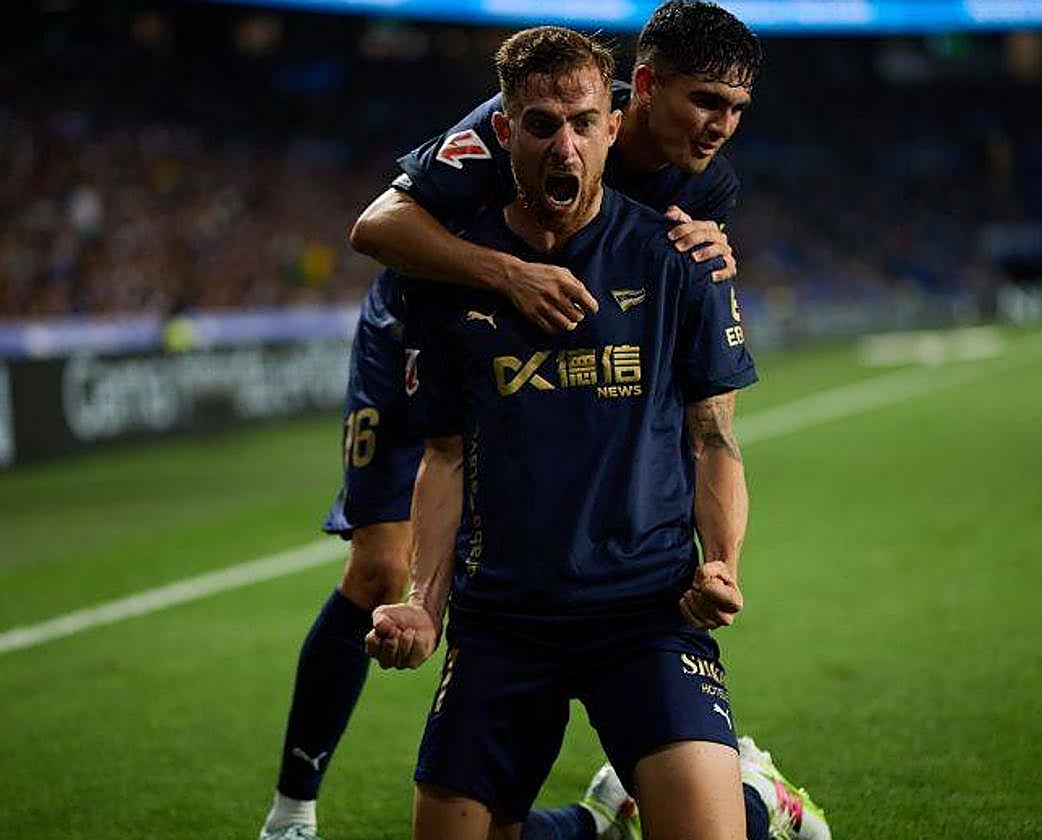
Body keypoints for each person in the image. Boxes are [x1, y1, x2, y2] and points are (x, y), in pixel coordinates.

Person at [259, 4, 829, 839]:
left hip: (569, 355)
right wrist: (507, 274)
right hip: (429, 315)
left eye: (738, 110)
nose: (722, 127)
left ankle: (683, 776)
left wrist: (720, 558)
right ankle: (292, 811)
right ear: (646, 88)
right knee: (383, 573)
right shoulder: (514, 120)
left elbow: (703, 416)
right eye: (706, 102)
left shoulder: (705, 185)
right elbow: (376, 227)